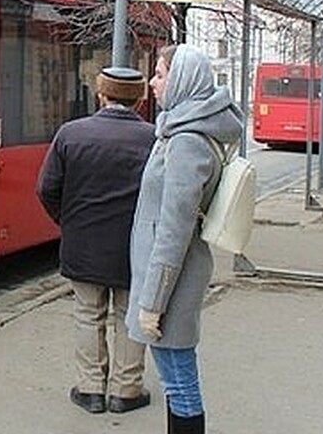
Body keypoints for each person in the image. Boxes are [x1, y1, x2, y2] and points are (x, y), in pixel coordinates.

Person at [126, 44, 244, 434]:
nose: (154, 83)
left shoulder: (187, 141)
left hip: (170, 282)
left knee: (179, 383)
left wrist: (152, 303)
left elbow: (175, 228)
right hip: (171, 277)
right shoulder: (180, 130)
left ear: (184, 80)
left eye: (160, 74)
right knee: (177, 380)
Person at [37, 67, 156, 415]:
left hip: (83, 244)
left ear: (101, 95)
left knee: (88, 315)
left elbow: (46, 189)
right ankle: (126, 391)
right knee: (128, 316)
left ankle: (90, 389)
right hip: (133, 248)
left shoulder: (71, 134)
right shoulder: (153, 138)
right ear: (138, 99)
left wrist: (69, 221)